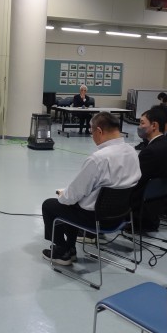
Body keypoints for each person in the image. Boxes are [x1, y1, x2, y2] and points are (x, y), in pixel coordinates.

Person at [41, 112, 141, 265]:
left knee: (51, 205)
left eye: (91, 130)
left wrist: (63, 194)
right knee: (73, 204)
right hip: (121, 216)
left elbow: (73, 195)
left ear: (99, 131)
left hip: (96, 219)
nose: (91, 134)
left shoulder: (98, 159)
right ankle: (70, 248)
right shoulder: (132, 152)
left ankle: (62, 251)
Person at [131, 106, 167, 231]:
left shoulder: (151, 151)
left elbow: (136, 179)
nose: (139, 127)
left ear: (154, 125)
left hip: (143, 202)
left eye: (142, 123)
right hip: (159, 199)